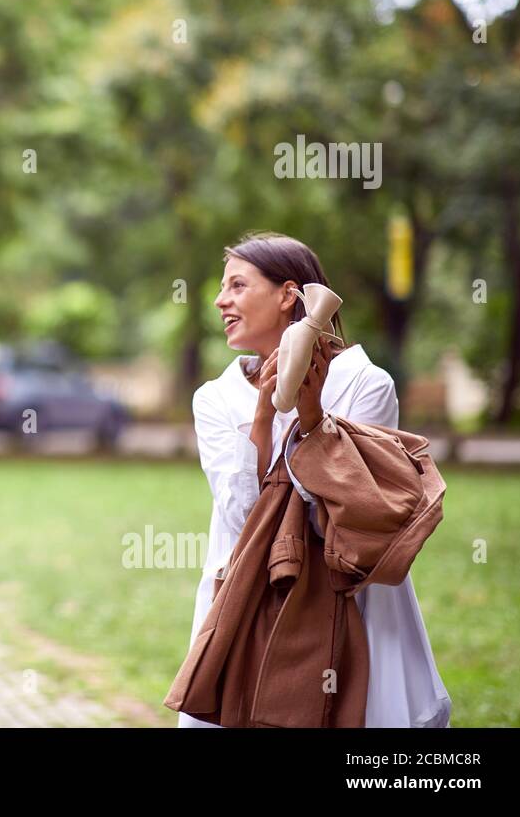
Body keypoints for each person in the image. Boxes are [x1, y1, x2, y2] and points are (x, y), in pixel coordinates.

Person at [180, 230, 451, 728]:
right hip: (245, 594)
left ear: (288, 295)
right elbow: (242, 515)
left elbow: (352, 510)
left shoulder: (364, 384)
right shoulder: (214, 400)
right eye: (223, 288)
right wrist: (264, 414)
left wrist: (310, 417)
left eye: (237, 286)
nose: (221, 300)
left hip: (348, 595)